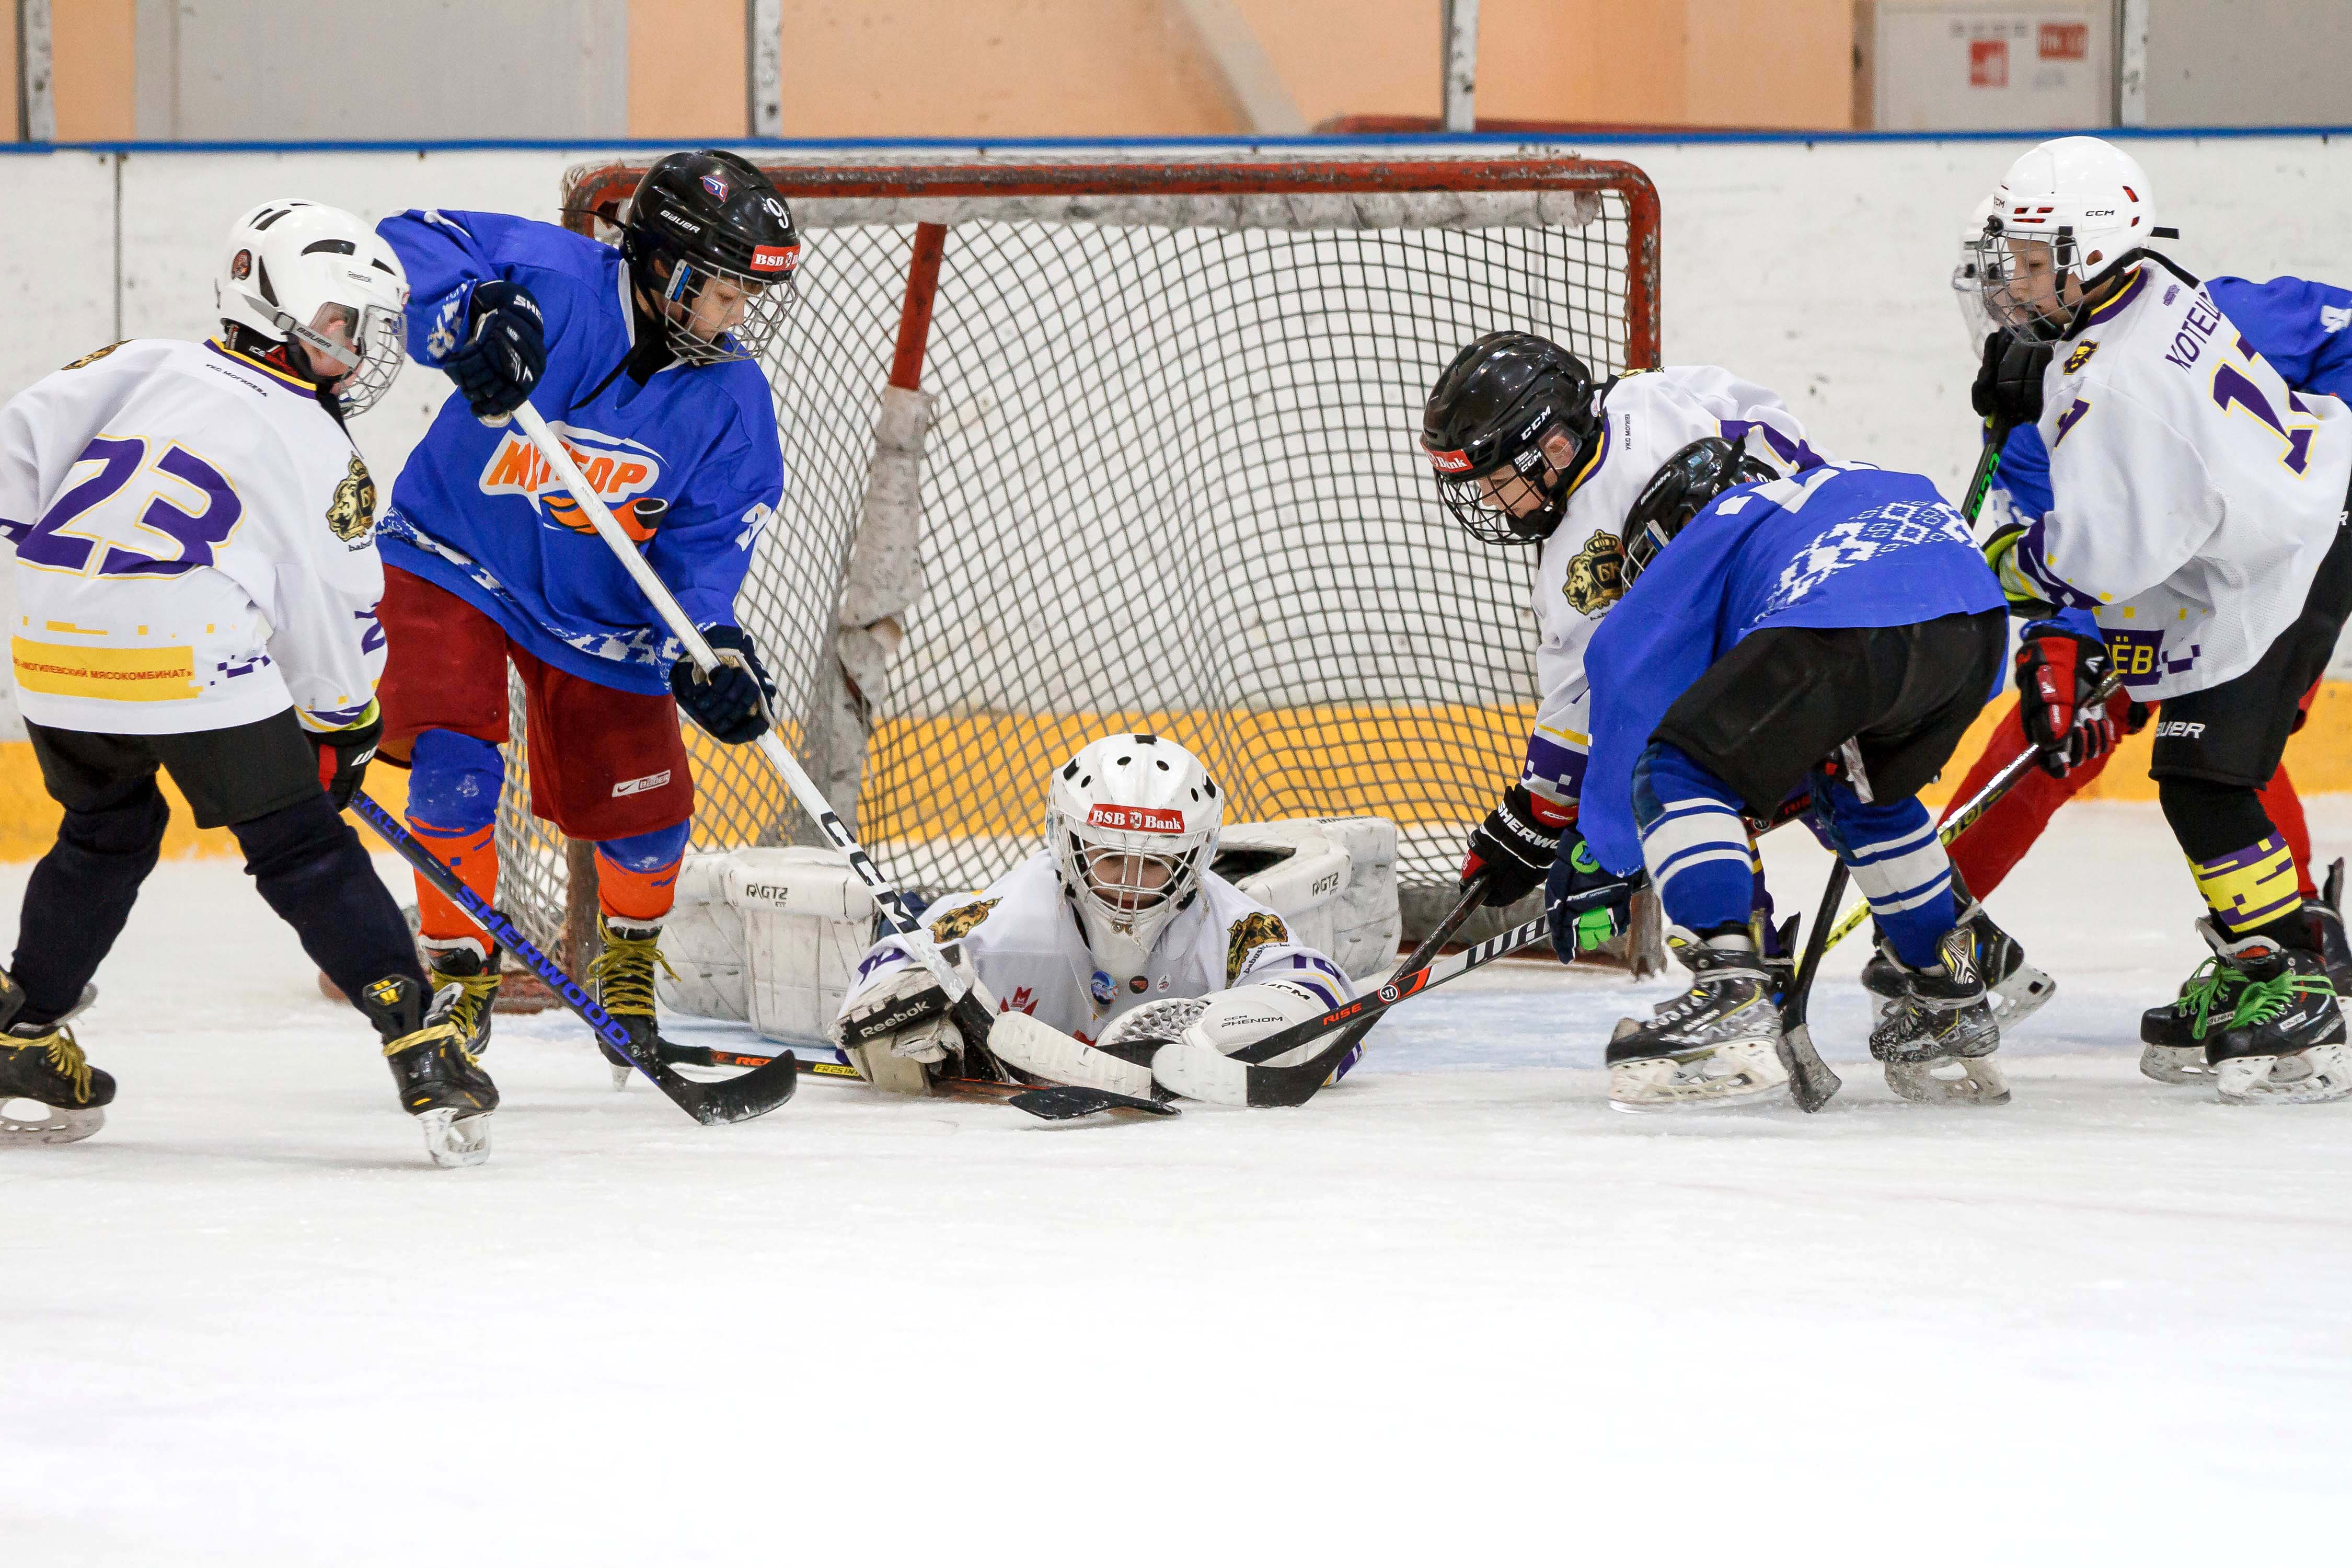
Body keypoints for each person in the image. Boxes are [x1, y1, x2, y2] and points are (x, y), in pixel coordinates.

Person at [0, 199, 497, 1165]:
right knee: (300, 848)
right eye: (346, 324)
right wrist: (343, 720)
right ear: (288, 311)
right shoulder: (316, 442)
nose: (360, 350)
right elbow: (333, 607)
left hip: (50, 646)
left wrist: (76, 578)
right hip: (186, 655)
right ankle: (422, 1044)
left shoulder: (139, 361)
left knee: (105, 832)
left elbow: (19, 454)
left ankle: (23, 1029)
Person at [371, 149, 797, 1080]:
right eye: (725, 292)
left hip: (598, 610)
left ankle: (628, 964)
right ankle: (460, 973)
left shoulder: (733, 397)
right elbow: (408, 239)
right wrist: (479, 310)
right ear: (663, 265)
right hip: (452, 555)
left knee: (647, 817)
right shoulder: (555, 279)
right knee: (450, 773)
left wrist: (709, 643)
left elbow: (705, 547)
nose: (736, 316)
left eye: (746, 298)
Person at [1966, 135, 2352, 1104]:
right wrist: (2070, 640)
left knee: (2207, 770)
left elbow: (2101, 556)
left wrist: (2013, 569)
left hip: (2298, 541)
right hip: (2261, 535)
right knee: (2203, 763)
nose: (2013, 285)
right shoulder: (2146, 296)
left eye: (2031, 262)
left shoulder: (2108, 383)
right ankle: (2272, 959)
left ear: (2090, 252)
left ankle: (2296, 977)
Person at [1576, 444, 2008, 1111]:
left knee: (1675, 771)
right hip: (1974, 632)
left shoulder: (1724, 519)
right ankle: (1949, 995)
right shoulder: (1827, 492)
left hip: (1844, 625)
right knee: (1865, 795)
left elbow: (1626, 668)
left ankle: (1729, 993)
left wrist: (1604, 844)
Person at [1417, 333, 1825, 963]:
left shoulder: (1584, 547)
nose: (1492, 502)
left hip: (1768, 651)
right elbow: (1774, 428)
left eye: (1497, 481)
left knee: (1682, 784)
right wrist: (1534, 819)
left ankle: (1742, 967)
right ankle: (1941, 935)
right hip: (1835, 589)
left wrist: (1540, 816)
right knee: (1848, 781)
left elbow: (1592, 695)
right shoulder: (1649, 392)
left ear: (1555, 447)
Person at [832, 733, 1352, 1092]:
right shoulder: (1009, 919)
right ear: (1068, 846)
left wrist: (1221, 1030)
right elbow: (884, 973)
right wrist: (903, 1028)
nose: (1129, 884)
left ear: (1196, 859)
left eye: (1154, 864)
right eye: (1111, 858)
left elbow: (1331, 998)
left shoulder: (1232, 923)